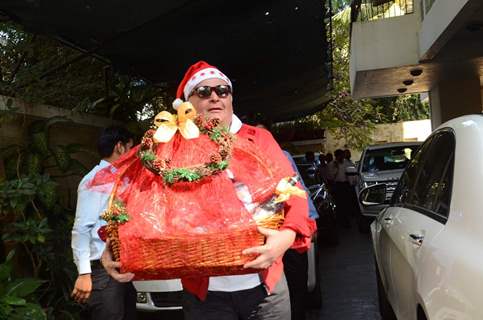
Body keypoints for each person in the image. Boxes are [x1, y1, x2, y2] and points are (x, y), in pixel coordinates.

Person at [101, 61, 316, 320]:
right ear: (187, 103)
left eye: (223, 90)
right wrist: (116, 246)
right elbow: (137, 202)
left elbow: (294, 194)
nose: (215, 97)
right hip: (204, 296)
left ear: (231, 98)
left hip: (265, 290)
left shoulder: (258, 140)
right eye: (203, 92)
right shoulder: (171, 147)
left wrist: (286, 238)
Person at [71, 126, 136, 320]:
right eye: (131, 148)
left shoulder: (120, 179)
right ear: (120, 147)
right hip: (101, 272)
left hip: (121, 268)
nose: (134, 154)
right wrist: (84, 273)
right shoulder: (94, 180)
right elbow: (81, 228)